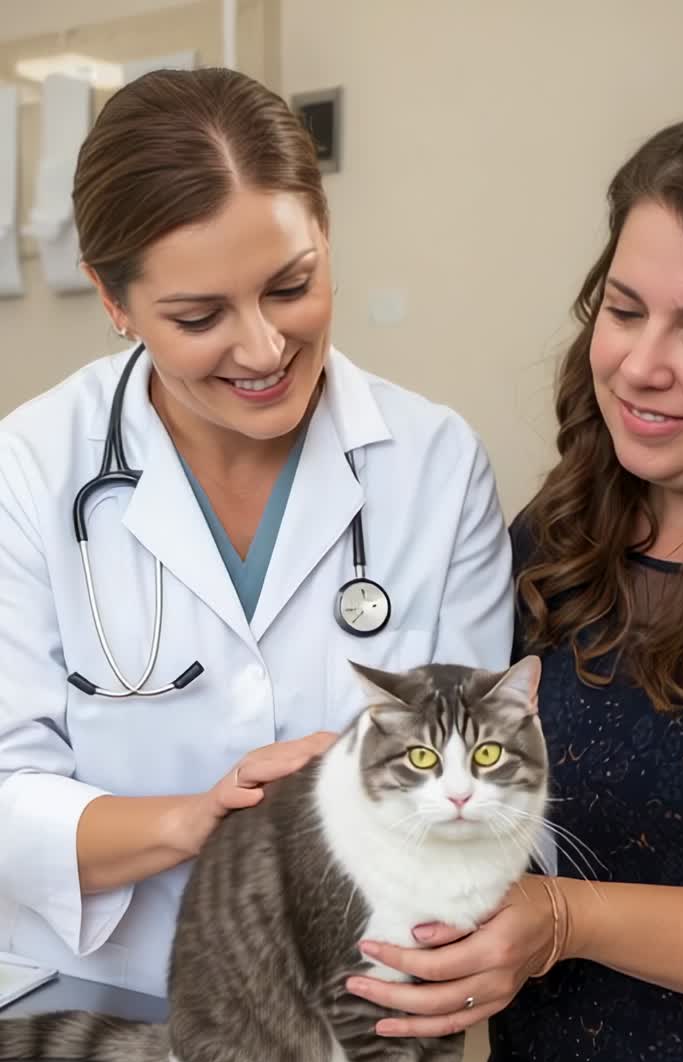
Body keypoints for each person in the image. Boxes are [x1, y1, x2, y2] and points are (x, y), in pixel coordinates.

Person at [0, 68, 512, 997]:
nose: (264, 350)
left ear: (325, 237)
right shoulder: (30, 469)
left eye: (291, 286)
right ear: (113, 304)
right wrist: (191, 819)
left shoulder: (434, 464)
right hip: (96, 990)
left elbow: (479, 781)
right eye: (199, 317)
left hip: (347, 1006)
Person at [347, 105, 683, 1062]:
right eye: (624, 307)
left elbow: (551, 902)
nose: (642, 366)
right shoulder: (556, 537)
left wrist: (566, 919)